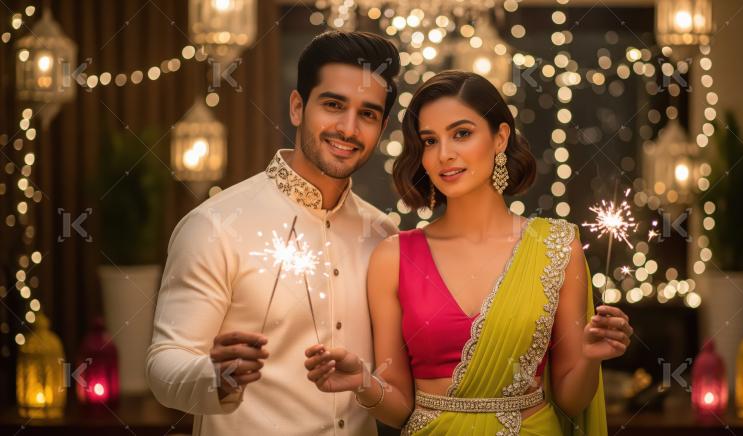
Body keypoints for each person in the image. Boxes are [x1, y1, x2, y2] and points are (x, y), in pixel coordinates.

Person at [304, 71, 633, 435]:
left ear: (500, 137)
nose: (445, 155)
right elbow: (398, 410)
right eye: (429, 140)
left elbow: (571, 401)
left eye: (461, 133)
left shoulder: (557, 246)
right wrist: (363, 383)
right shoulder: (394, 257)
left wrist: (589, 358)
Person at [146, 31, 400, 436]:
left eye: (367, 114)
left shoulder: (385, 236)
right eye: (333, 105)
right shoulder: (215, 226)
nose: (348, 128)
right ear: (298, 107)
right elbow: (163, 366)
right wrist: (213, 375)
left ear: (382, 126)